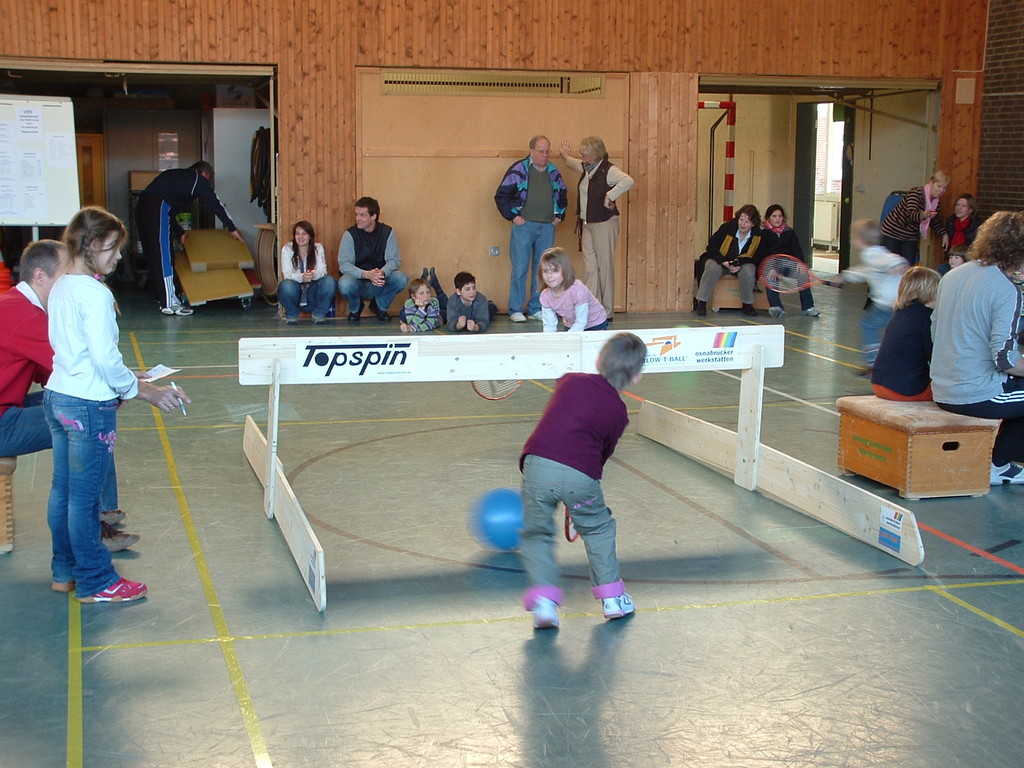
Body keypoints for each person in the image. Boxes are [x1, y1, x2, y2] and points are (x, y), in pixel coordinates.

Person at [45, 207, 191, 602]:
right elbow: (104, 360)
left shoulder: (61, 285)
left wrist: (129, 376)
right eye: (112, 248)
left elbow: (82, 355)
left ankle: (65, 571)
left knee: (63, 491)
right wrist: (147, 392)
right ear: (90, 245)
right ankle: (96, 581)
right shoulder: (94, 294)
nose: (119, 257)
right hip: (87, 408)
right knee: (85, 500)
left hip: (58, 397)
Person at [0, 240, 138, 552]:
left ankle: (102, 512)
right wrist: (127, 385)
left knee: (89, 410)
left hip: (9, 407)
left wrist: (117, 382)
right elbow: (75, 370)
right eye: (65, 277)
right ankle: (96, 524)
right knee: (91, 418)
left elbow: (57, 372)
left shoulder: (14, 306)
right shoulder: (24, 316)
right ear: (40, 277)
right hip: (2, 420)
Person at [519, 332, 647, 629]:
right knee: (599, 529)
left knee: (537, 534)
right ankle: (613, 599)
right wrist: (581, 496)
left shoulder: (571, 379)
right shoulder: (619, 412)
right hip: (582, 477)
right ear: (637, 376)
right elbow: (601, 454)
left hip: (536, 465)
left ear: (598, 360)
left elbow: (562, 399)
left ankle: (544, 605)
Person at [930, 210, 1024, 485]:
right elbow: (1004, 359)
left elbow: (935, 330)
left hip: (942, 386)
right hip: (974, 394)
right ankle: (999, 465)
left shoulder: (953, 275)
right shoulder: (1007, 290)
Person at [137, 161, 244, 316]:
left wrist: (179, 231)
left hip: (142, 207)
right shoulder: (197, 179)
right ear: (204, 173)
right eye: (209, 179)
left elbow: (166, 212)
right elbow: (215, 203)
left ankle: (162, 298)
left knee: (154, 255)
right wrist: (232, 228)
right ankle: (169, 303)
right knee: (163, 255)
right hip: (157, 206)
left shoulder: (176, 178)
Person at [494, 135, 568, 322]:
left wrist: (559, 216)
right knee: (520, 268)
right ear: (532, 152)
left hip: (547, 226)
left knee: (543, 270)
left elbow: (563, 194)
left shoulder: (553, 171)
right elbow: (501, 195)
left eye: (547, 151)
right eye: (541, 151)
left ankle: (536, 307)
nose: (545, 155)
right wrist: (513, 216)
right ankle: (516, 309)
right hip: (524, 226)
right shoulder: (519, 169)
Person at [559, 136, 634, 317]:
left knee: (605, 266)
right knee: (590, 267)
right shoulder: (587, 167)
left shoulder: (608, 170)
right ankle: (593, 307)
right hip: (588, 223)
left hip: (605, 224)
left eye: (585, 152)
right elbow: (574, 163)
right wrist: (565, 156)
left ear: (595, 154)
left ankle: (607, 311)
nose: (581, 155)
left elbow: (628, 181)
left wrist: (611, 195)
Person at [832, 220, 908, 372]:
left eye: (852, 238)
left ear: (861, 240)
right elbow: (865, 271)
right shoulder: (876, 253)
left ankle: (874, 363)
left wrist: (897, 266)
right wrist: (844, 277)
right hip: (895, 302)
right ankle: (888, 362)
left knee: (868, 325)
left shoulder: (871, 254)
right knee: (890, 332)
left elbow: (894, 261)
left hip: (887, 303)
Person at [870, 266, 940, 401]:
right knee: (956, 393)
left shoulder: (902, 312)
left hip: (879, 383)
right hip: (905, 390)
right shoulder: (926, 317)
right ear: (931, 292)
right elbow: (935, 356)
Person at [693, 204, 775, 317]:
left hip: (742, 264)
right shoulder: (726, 228)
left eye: (747, 222)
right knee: (711, 266)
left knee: (749, 269)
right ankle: (702, 302)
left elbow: (756, 257)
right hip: (721, 261)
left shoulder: (758, 236)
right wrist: (724, 262)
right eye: (741, 220)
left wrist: (738, 263)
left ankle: (747, 304)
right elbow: (711, 248)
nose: (742, 224)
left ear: (753, 224)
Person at [337, 196, 408, 323]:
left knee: (401, 278)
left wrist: (381, 273)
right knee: (344, 283)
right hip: (358, 280)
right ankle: (355, 308)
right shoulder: (350, 234)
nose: (358, 218)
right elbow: (344, 264)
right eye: (357, 214)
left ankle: (380, 306)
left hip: (380, 280)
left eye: (362, 215)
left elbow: (394, 260)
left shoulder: (388, 232)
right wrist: (365, 274)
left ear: (373, 216)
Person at [761, 204, 820, 318]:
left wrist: (799, 263)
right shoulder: (764, 234)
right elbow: (762, 253)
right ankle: (776, 307)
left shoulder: (789, 232)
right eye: (774, 216)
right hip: (772, 265)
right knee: (770, 277)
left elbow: (796, 249)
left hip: (788, 264)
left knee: (803, 275)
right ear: (768, 218)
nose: (777, 219)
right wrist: (771, 267)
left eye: (780, 216)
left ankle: (808, 307)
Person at [880, 171, 949, 265]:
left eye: (944, 188)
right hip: (892, 233)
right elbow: (911, 214)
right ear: (931, 183)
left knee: (908, 268)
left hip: (910, 236)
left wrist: (944, 234)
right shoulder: (916, 193)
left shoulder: (936, 203)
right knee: (889, 266)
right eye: (939, 186)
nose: (941, 190)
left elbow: (934, 221)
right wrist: (924, 214)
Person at [278, 220, 337, 324]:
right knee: (285, 285)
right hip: (295, 291)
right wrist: (302, 277)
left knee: (329, 281)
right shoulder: (287, 249)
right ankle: (291, 314)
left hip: (312, 292)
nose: (300, 237)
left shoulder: (318, 248)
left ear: (310, 236)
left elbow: (323, 271)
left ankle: (319, 314)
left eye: (304, 233)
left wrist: (313, 275)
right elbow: (287, 274)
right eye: (297, 233)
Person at [538, 247, 608, 332]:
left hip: (595, 323)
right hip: (571, 324)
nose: (549, 276)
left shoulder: (577, 290)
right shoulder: (545, 296)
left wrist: (569, 338)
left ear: (565, 270)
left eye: (554, 271)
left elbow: (581, 322)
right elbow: (549, 325)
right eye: (545, 271)